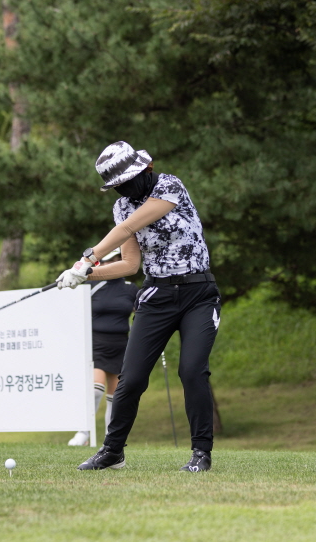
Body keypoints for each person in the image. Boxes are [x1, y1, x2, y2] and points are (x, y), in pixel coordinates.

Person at [57, 141, 221, 472]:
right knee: (130, 379)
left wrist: (89, 257)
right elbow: (130, 264)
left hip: (198, 293)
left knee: (192, 370)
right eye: (118, 186)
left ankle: (201, 454)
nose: (125, 190)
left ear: (146, 169)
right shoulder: (122, 206)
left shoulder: (169, 185)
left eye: (127, 182)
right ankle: (112, 452)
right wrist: (84, 274)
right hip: (156, 296)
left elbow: (128, 228)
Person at [66, 247, 140, 447]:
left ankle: (110, 439)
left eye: (115, 260)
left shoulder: (130, 288)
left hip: (121, 345)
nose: (110, 264)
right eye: (107, 261)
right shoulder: (92, 285)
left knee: (115, 397)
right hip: (96, 342)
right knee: (96, 389)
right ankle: (83, 432)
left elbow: (141, 314)